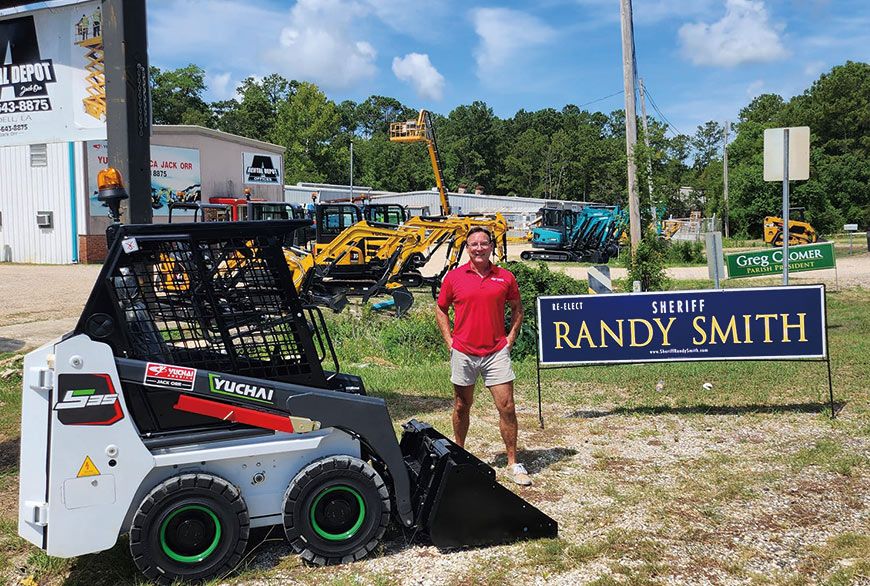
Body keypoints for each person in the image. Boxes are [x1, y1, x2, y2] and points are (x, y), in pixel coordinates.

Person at [435, 226, 531, 486]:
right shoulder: (454, 277)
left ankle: (513, 462)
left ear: (491, 247)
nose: (479, 248)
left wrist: (510, 338)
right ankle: (459, 452)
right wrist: (449, 341)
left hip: (495, 352)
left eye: (483, 243)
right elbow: (441, 309)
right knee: (461, 405)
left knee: (507, 406)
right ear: (467, 248)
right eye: (473, 244)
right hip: (463, 351)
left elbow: (517, 309)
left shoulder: (505, 277)